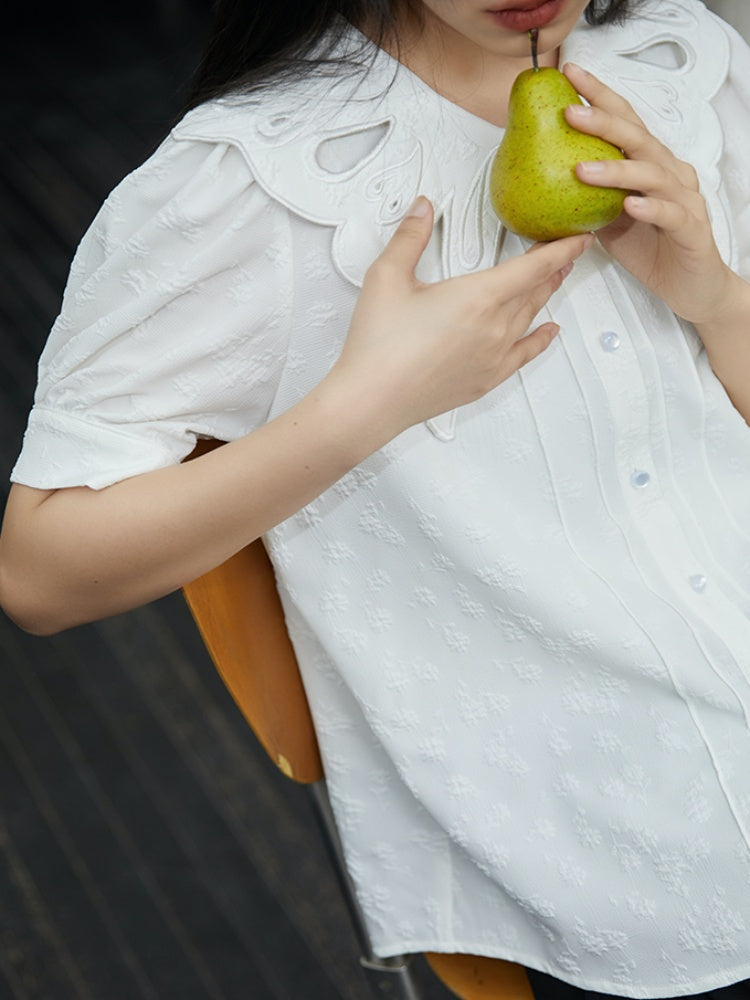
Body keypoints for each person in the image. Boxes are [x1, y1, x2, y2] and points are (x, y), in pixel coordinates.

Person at [2, 0, 750, 995]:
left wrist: (720, 302)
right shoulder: (254, 179)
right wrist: (364, 407)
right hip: (633, 854)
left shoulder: (684, 59)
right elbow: (39, 575)